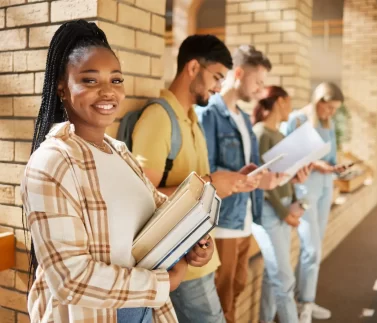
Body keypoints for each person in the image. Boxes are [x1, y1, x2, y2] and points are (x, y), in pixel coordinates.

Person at [20, 20, 209, 323]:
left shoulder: (119, 153)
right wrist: (164, 284)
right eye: (90, 81)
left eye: (116, 80)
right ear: (62, 89)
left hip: (146, 310)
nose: (108, 92)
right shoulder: (52, 163)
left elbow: (160, 214)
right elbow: (71, 279)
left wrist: (195, 243)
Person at [131, 35, 257, 323]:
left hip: (197, 256)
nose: (219, 87)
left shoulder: (192, 119)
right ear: (192, 68)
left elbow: (198, 183)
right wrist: (211, 183)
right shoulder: (159, 119)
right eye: (216, 77)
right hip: (179, 263)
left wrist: (233, 181)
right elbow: (142, 199)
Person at [196, 45, 288, 323]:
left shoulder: (244, 119)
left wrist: (260, 179)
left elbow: (245, 169)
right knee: (222, 299)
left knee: (235, 288)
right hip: (222, 222)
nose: (261, 89)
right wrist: (243, 178)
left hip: (245, 217)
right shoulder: (210, 113)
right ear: (238, 73)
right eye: (258, 81)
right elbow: (205, 170)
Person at [284, 82, 345, 323]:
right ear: (318, 101)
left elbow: (329, 158)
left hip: (325, 188)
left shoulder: (328, 125)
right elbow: (288, 158)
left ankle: (303, 300)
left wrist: (335, 167)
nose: (331, 113)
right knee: (312, 248)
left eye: (335, 110)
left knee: (314, 247)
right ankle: (305, 304)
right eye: (329, 107)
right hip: (305, 190)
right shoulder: (297, 120)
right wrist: (319, 165)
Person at [252, 86, 311, 323]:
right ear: (279, 102)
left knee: (272, 275)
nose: (291, 108)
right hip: (270, 212)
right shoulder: (261, 133)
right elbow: (263, 183)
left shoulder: (279, 134)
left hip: (283, 206)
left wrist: (297, 185)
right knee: (285, 280)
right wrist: (284, 211)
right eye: (289, 102)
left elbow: (282, 176)